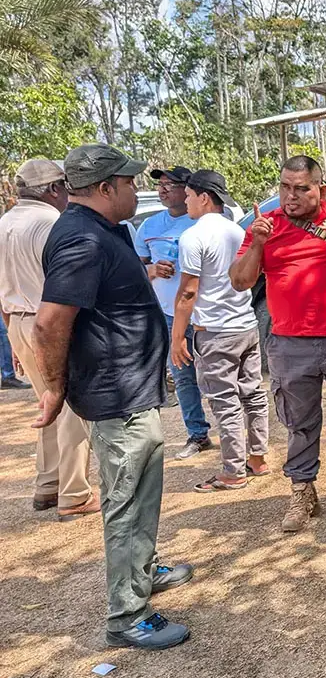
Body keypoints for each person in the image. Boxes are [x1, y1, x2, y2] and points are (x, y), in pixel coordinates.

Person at [36, 144, 193, 650]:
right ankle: (127, 614)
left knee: (142, 496)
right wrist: (56, 387)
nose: (134, 189)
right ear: (105, 189)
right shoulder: (81, 239)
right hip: (115, 394)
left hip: (130, 389)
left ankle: (141, 573)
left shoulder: (106, 231)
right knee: (126, 504)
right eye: (127, 183)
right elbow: (49, 322)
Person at [229, 156, 326, 532]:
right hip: (288, 343)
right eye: (285, 187)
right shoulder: (265, 228)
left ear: (321, 190)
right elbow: (240, 281)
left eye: (301, 188)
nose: (291, 196)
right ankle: (302, 490)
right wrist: (258, 244)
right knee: (298, 422)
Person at [0, 159, 95, 518]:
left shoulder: (4, 222)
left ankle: (48, 484)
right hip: (48, 325)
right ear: (54, 189)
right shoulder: (52, 223)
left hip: (17, 322)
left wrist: (12, 339)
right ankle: (75, 494)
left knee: (46, 404)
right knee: (71, 408)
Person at [170, 170, 270, 493]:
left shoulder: (193, 236)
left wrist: (176, 336)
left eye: (188, 196)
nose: (185, 201)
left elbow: (188, 292)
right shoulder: (238, 231)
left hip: (215, 331)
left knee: (224, 400)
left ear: (203, 197)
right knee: (253, 393)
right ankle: (257, 458)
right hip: (246, 325)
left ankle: (233, 471)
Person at [136, 165, 213, 459]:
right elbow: (136, 269)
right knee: (182, 377)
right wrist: (153, 270)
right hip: (169, 315)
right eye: (161, 185)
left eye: (171, 184)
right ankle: (197, 433)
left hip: (206, 313)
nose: (163, 189)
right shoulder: (149, 227)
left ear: (190, 191)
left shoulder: (205, 223)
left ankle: (237, 436)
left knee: (217, 376)